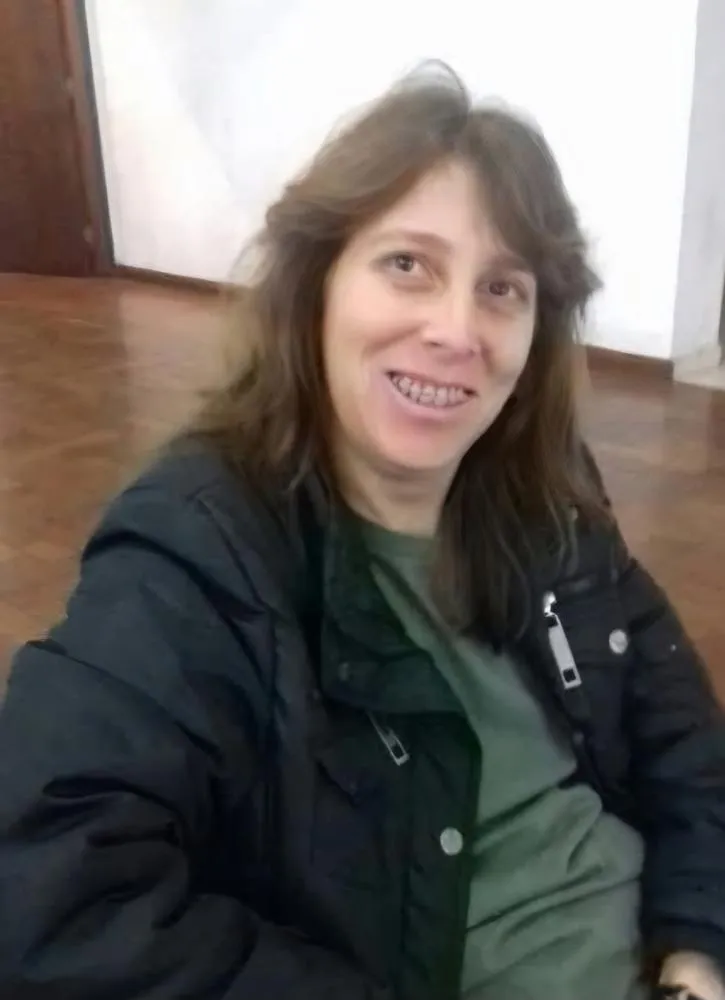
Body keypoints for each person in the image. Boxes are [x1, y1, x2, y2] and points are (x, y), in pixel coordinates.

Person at [0, 65, 724, 1000]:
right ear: (317, 285)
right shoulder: (200, 550)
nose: (456, 330)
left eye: (501, 288)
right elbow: (50, 897)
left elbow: (680, 737)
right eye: (407, 265)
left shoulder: (545, 496)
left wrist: (697, 950)